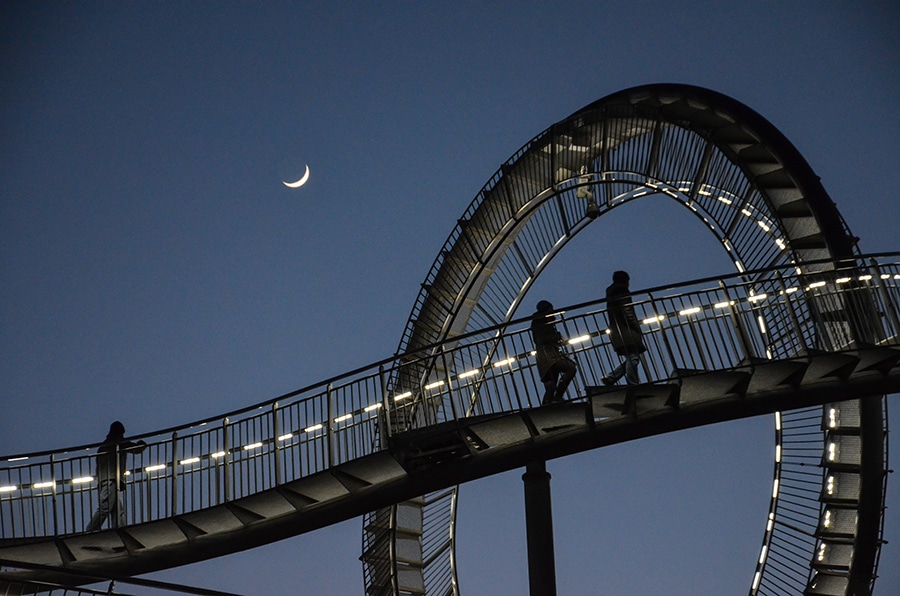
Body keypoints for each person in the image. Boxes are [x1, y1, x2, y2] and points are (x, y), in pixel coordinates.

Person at [85, 421, 147, 531]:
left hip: (104, 479)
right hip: (111, 479)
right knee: (105, 507)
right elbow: (135, 449)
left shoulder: (103, 445)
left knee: (117, 508)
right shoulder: (118, 442)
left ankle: (120, 529)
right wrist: (142, 444)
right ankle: (90, 530)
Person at [530, 300, 578, 405]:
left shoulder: (538, 322)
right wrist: (557, 336)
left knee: (551, 386)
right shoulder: (542, 321)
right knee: (571, 368)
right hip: (550, 356)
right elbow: (542, 338)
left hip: (543, 358)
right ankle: (558, 397)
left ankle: (545, 408)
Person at [603, 271, 646, 386]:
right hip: (626, 330)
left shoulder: (610, 294)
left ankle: (611, 377)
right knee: (633, 357)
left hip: (616, 330)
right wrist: (636, 327)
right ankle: (633, 383)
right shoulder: (623, 291)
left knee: (631, 357)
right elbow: (627, 311)